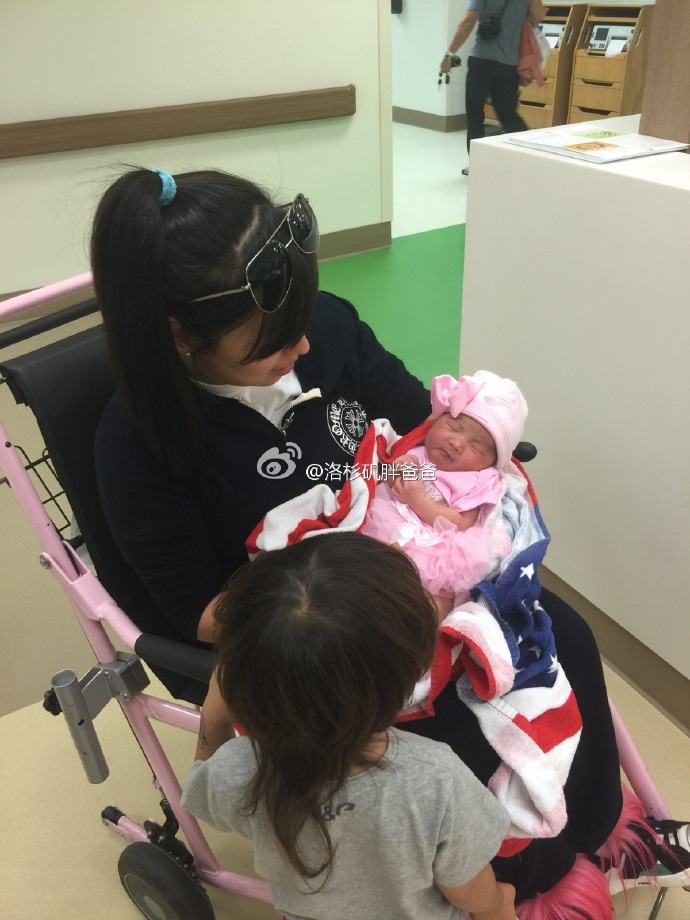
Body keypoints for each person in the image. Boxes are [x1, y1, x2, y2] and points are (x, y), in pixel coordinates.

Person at [91, 167, 685, 917]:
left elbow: (416, 424)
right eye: (273, 341)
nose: (304, 343)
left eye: (303, 318)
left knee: (564, 634)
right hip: (307, 636)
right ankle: (528, 883)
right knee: (456, 738)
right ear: (181, 338)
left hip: (412, 564)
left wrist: (470, 493)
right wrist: (383, 596)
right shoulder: (138, 447)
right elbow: (202, 614)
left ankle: (593, 833)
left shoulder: (328, 328)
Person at [182, 532, 517, 920]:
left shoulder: (240, 770)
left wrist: (215, 713)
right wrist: (501, 904)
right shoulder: (438, 780)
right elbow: (469, 889)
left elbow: (203, 793)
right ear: (410, 676)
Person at [362, 369, 526, 621]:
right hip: (388, 522)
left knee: (433, 600)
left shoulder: (478, 480)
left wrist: (421, 502)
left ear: (491, 463)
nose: (456, 443)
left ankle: (415, 622)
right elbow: (385, 479)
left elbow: (463, 523)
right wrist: (398, 469)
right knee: (367, 564)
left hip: (434, 546)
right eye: (453, 427)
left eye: (476, 447)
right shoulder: (419, 454)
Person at [439, 0, 546, 175]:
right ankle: (531, 159)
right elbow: (538, 14)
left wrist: (449, 54)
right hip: (509, 65)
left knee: (475, 115)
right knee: (509, 115)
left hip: (482, 61)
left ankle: (477, 166)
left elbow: (468, 22)